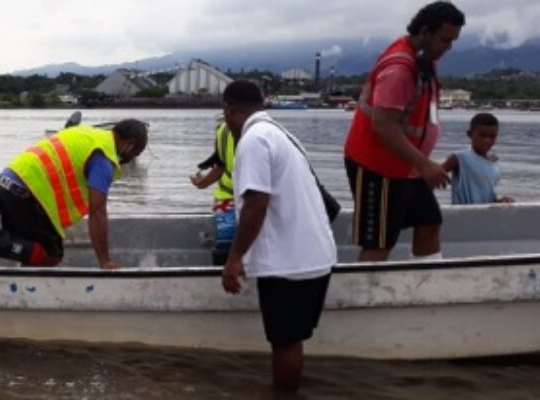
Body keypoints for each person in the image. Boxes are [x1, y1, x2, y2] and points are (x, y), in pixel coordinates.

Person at [219, 80, 337, 394]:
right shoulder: (283, 135)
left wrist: (234, 258)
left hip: (288, 264)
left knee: (284, 343)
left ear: (229, 110)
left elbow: (256, 203)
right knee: (291, 341)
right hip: (314, 257)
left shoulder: (254, 140)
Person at [343, 1, 465, 262]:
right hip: (378, 166)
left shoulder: (423, 59)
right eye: (445, 39)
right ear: (425, 32)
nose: (448, 47)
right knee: (379, 241)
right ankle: (367, 298)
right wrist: (425, 165)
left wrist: (419, 165)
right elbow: (383, 125)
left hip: (406, 166)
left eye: (452, 41)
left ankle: (426, 286)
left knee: (429, 221)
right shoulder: (399, 69)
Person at [0, 119, 148, 269]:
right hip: (26, 191)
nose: (131, 160)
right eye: (136, 154)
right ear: (130, 145)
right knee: (52, 254)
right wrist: (104, 261)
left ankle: (26, 293)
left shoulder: (89, 134)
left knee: (28, 247)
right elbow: (97, 212)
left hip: (8, 182)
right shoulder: (103, 159)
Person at [190, 119, 238, 265]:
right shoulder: (224, 131)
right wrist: (202, 183)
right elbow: (220, 164)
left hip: (231, 201)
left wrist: (202, 183)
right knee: (226, 246)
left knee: (226, 245)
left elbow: (219, 164)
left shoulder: (223, 131)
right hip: (229, 199)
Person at [442, 113, 513, 204]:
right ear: (470, 134)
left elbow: (487, 195)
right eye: (482, 136)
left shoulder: (494, 162)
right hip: (463, 215)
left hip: (483, 216)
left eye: (492, 136)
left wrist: (500, 201)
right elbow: (431, 177)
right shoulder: (460, 158)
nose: (487, 140)